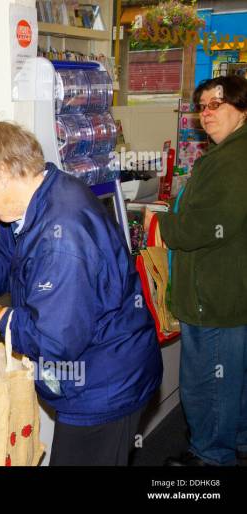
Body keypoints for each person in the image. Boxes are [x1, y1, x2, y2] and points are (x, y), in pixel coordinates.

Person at [0, 119, 163, 466]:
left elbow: (55, 341)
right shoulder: (38, 197)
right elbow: (7, 252)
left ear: (1, 173)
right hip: (97, 375)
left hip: (104, 386)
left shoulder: (64, 237)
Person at [150, 75, 247, 467]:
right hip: (228, 291)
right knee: (233, 383)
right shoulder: (230, 152)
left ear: (241, 107)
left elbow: (206, 227)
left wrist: (161, 224)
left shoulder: (233, 160)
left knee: (209, 383)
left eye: (216, 104)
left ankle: (211, 458)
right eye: (202, 107)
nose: (206, 114)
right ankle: (235, 443)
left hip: (213, 295)